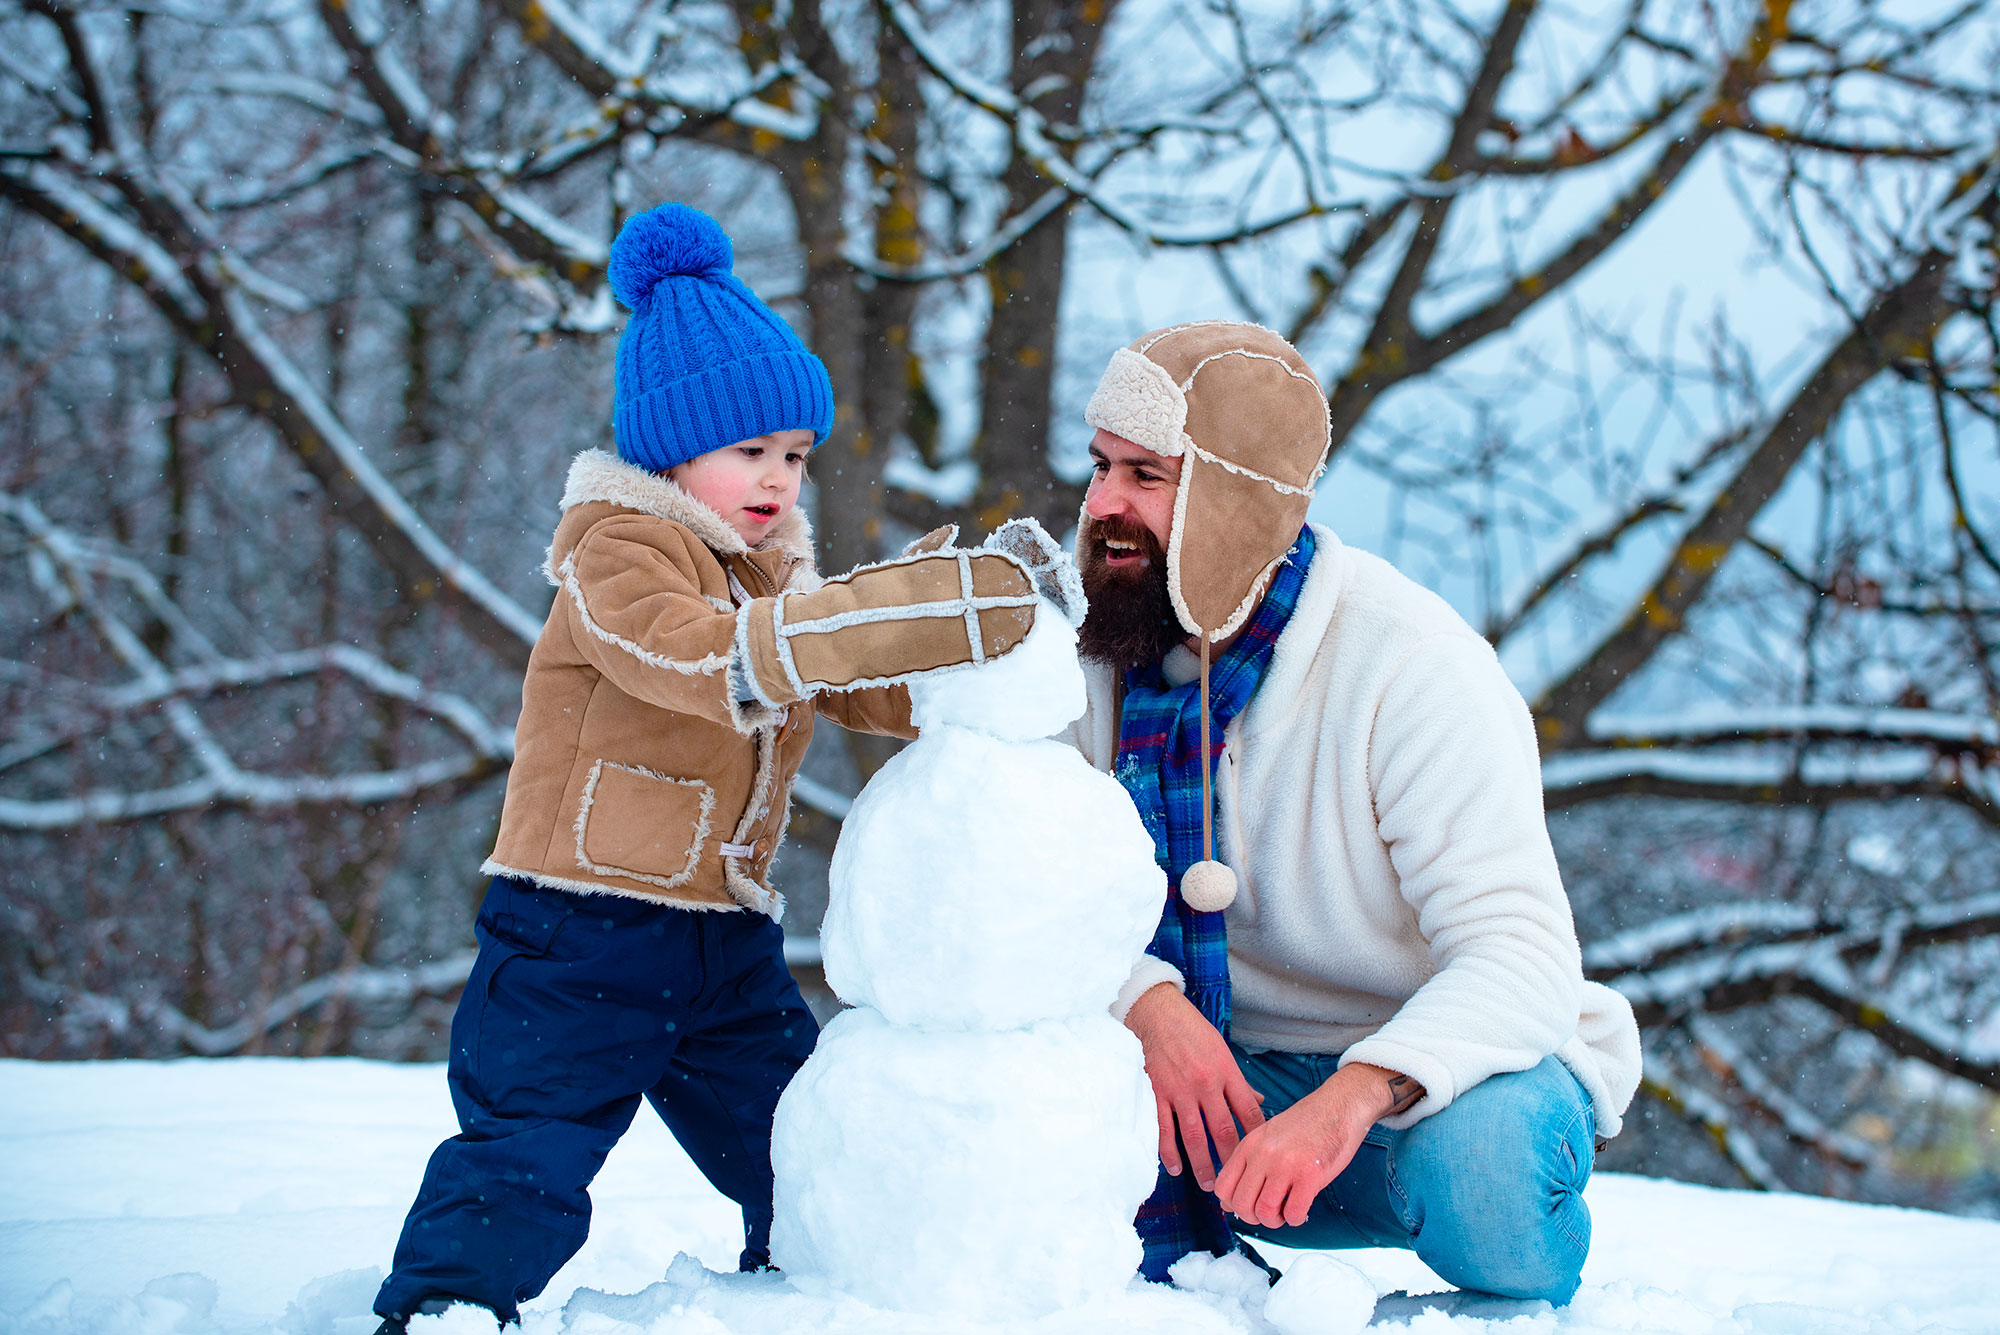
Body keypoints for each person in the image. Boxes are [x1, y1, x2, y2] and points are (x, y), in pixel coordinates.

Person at [372, 203, 1043, 1332]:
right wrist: (853, 617)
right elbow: (691, 657)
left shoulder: (767, 577)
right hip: (578, 928)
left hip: (722, 938)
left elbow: (847, 681)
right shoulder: (615, 551)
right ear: (668, 447)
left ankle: (812, 1297)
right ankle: (444, 1308)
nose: (778, 478)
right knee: (529, 1147)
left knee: (800, 1139)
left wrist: (953, 645)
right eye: (749, 451)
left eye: (793, 455)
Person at [1062, 321, 1642, 1304]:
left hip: (1426, 1083)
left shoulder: (1409, 664)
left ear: (1237, 500)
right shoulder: (1092, 646)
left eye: (1146, 477)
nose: (1102, 506)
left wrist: (1354, 1094)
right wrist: (1145, 1002)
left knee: (1485, 1170)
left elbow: (1519, 955)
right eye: (1100, 466)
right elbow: (1023, 891)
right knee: (990, 1099)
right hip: (1210, 1075)